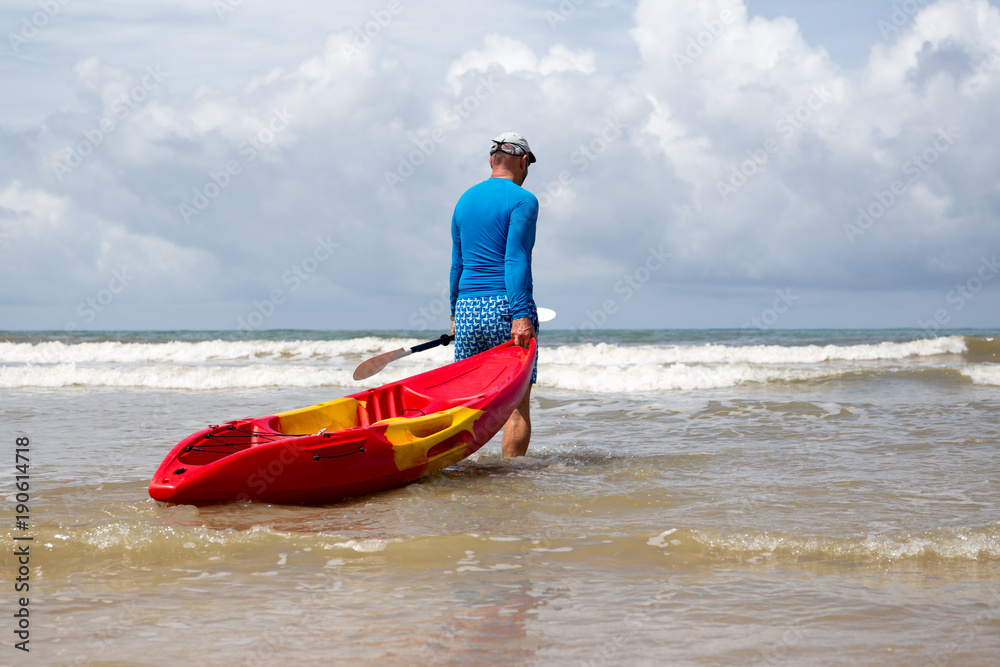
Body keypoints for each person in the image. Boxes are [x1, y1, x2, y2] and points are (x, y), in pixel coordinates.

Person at [449, 131, 539, 457]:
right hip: (505, 307)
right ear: (523, 161)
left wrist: (454, 314)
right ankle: (510, 483)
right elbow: (515, 258)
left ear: (491, 160)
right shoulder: (522, 200)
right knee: (516, 406)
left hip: (468, 308)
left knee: (469, 404)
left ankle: (465, 473)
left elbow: (457, 262)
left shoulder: (464, 200)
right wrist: (520, 315)